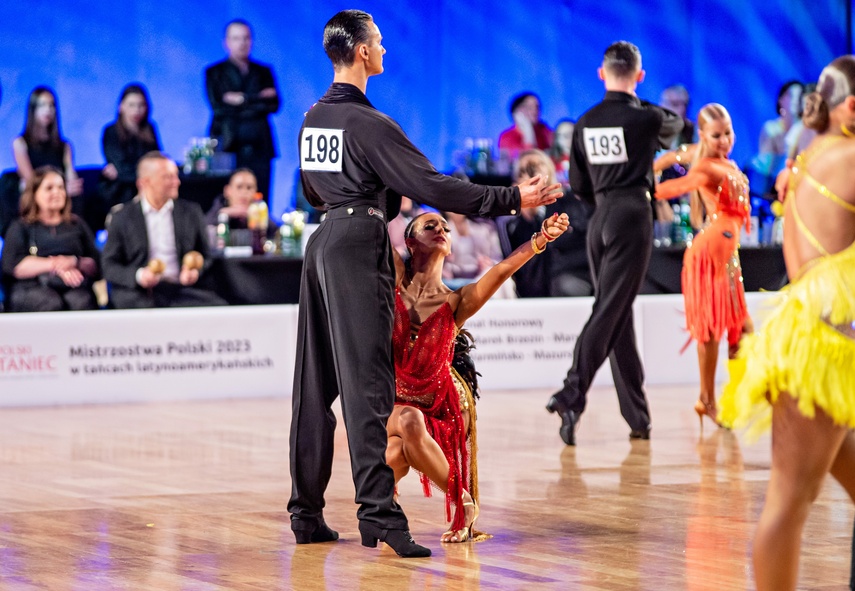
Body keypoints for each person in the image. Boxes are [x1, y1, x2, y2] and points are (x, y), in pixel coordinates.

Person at [288, 9, 562, 558]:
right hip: (356, 243)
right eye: (381, 43)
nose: (385, 50)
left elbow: (313, 193)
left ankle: (307, 513)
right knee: (369, 391)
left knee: (312, 389)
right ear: (362, 52)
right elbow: (432, 184)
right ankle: (381, 518)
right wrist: (513, 198)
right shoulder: (370, 123)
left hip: (320, 244)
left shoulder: (313, 117)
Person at [718, 55, 855, 591]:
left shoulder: (810, 158)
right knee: (789, 501)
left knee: (792, 498)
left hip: (823, 342)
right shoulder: (845, 157)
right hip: (823, 349)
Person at [387, 210, 570, 542]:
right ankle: (399, 504)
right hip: (394, 403)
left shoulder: (457, 300)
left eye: (445, 227)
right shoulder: (395, 283)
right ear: (410, 242)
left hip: (438, 404)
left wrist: (541, 238)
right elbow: (373, 229)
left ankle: (461, 501)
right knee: (390, 455)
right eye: (430, 226)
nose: (441, 229)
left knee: (405, 438)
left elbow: (501, 270)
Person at [545, 41, 683, 445]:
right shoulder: (647, 118)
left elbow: (578, 184)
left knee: (617, 312)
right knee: (611, 308)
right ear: (639, 77)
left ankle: (637, 417)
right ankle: (572, 393)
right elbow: (677, 125)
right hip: (632, 216)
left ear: (601, 74)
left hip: (599, 218)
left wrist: (601, 208)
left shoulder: (586, 120)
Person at [653, 103, 752, 425]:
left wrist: (667, 160)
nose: (724, 140)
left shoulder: (709, 156)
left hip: (726, 256)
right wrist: (640, 184)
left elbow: (670, 157)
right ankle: (712, 399)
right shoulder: (706, 167)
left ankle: (716, 399)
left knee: (738, 331)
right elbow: (670, 187)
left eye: (728, 133)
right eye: (717, 135)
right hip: (711, 255)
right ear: (704, 135)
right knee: (715, 331)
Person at [102, 152, 226, 309]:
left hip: (181, 290)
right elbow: (108, 265)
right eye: (168, 177)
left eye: (176, 175)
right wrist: (139, 276)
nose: (177, 182)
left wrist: (195, 271)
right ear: (145, 182)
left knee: (217, 306)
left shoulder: (191, 212)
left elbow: (206, 255)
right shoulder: (122, 217)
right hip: (139, 293)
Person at [1, 166, 100, 312]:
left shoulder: (76, 224)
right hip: (31, 287)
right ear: (34, 193)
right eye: (49, 188)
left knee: (81, 302)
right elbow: (12, 265)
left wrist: (74, 261)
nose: (57, 192)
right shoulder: (21, 226)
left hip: (73, 285)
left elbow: (96, 263)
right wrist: (56, 264)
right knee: (49, 302)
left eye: (61, 187)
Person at [205, 19, 280, 202]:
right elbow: (219, 107)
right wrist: (258, 99)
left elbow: (274, 105)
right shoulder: (214, 72)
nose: (242, 43)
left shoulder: (264, 71)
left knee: (260, 200)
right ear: (226, 42)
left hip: (260, 147)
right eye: (236, 38)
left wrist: (241, 99)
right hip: (228, 146)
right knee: (223, 199)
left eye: (246, 38)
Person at [9, 87, 83, 218]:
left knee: (78, 192)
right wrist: (60, 188)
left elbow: (71, 174)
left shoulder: (65, 146)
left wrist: (70, 184)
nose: (48, 110)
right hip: (36, 193)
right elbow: (31, 180)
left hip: (60, 193)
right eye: (42, 105)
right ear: (33, 110)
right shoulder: (20, 143)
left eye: (51, 105)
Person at [99, 83, 162, 209]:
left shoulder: (150, 129)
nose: (137, 110)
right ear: (121, 107)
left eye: (141, 105)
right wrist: (147, 174)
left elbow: (157, 161)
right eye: (131, 105)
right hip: (118, 190)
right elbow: (121, 168)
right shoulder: (111, 131)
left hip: (146, 187)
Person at [204, 167, 278, 238]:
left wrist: (255, 216)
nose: (244, 192)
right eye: (239, 187)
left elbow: (276, 232)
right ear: (227, 190)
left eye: (249, 187)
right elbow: (203, 229)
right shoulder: (219, 206)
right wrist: (225, 214)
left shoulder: (260, 208)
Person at [498, 92, 554, 160]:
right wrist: (528, 129)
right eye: (530, 107)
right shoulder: (507, 137)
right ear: (517, 111)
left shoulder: (544, 131)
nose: (535, 111)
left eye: (537, 107)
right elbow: (528, 159)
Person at [548, 118, 575, 186]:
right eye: (561, 135)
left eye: (569, 134)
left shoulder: (586, 160)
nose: (564, 139)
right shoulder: (550, 162)